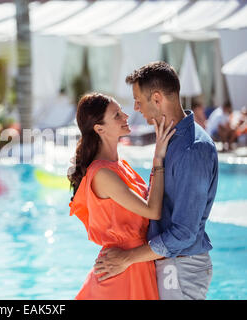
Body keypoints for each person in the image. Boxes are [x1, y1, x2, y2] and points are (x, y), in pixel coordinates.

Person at [93, 61, 218, 300]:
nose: (136, 108)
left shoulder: (192, 149)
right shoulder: (170, 140)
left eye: (138, 100)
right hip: (171, 264)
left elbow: (184, 232)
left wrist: (127, 258)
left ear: (158, 99)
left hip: (181, 267)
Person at [68, 92, 175, 299]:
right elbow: (152, 210)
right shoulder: (103, 174)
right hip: (122, 271)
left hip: (133, 262)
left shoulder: (120, 166)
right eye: (116, 115)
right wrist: (158, 158)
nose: (126, 116)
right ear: (99, 129)